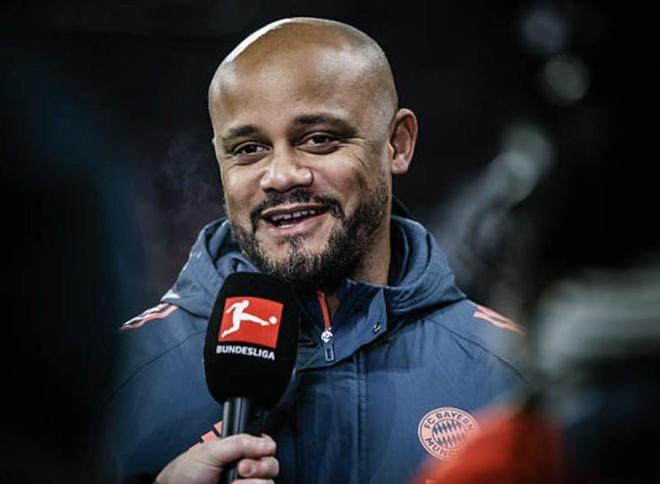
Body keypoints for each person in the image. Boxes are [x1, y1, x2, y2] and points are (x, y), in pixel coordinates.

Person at [104, 17, 526, 483]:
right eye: (248, 149)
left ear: (397, 144)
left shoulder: (512, 373)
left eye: (318, 139)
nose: (281, 175)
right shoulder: (113, 372)